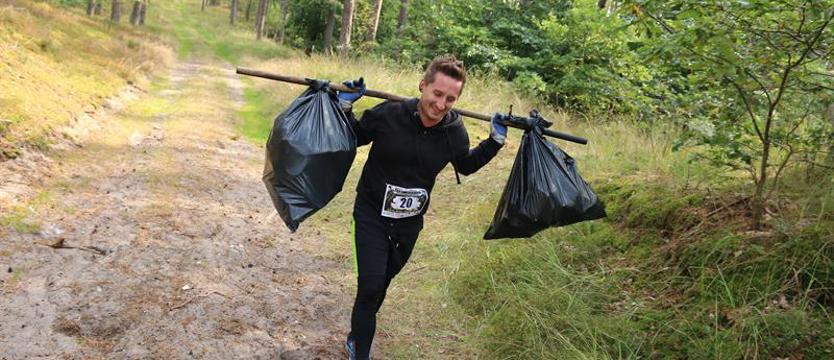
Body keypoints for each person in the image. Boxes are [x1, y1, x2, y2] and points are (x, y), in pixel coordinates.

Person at [336, 54, 507, 360]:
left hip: (408, 225)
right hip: (371, 213)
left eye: (450, 99)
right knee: (371, 285)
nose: (441, 105)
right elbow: (353, 136)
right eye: (437, 94)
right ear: (423, 86)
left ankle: (357, 332)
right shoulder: (389, 114)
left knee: (381, 285)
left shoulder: (454, 131)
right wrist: (344, 106)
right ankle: (360, 351)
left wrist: (494, 141)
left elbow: (465, 165)